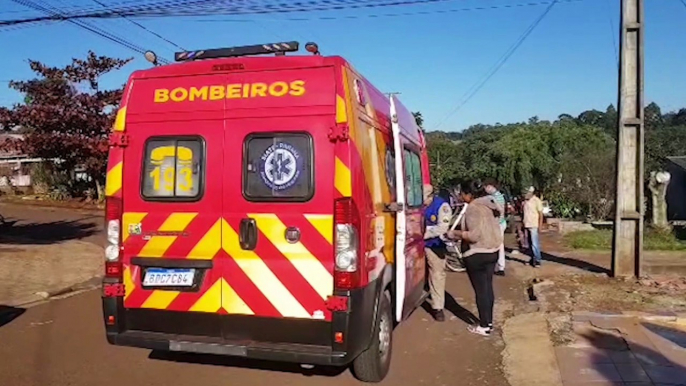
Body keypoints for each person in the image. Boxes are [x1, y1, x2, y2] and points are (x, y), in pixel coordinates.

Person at [446, 180, 503, 336]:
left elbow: (473, 235)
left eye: (462, 193)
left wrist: (454, 234)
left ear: (468, 194)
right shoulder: (490, 205)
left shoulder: (473, 208)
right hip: (493, 250)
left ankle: (484, 325)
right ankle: (488, 322)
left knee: (480, 291)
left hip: (477, 253)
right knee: (488, 288)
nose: (461, 196)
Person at [422, 184, 453, 322]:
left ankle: (438, 307)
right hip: (416, 245)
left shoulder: (442, 207)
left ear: (430, 196)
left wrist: (424, 234)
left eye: (424, 199)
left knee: (437, 274)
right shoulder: (418, 205)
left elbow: (442, 227)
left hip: (434, 245)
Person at [484, 178, 506, 276]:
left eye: (486, 187)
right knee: (498, 245)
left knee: (497, 245)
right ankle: (499, 266)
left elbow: (499, 211)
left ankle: (500, 267)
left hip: (498, 224)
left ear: (491, 186)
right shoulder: (496, 196)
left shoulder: (495, 197)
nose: (486, 189)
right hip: (499, 223)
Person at [522, 186, 544, 267]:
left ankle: (538, 259)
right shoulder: (525, 202)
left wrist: (540, 226)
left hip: (534, 225)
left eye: (527, 193)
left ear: (531, 193)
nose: (525, 195)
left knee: (535, 244)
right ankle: (532, 259)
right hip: (527, 224)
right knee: (529, 244)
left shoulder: (536, 201)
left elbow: (541, 214)